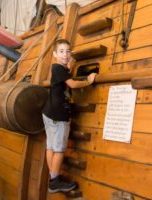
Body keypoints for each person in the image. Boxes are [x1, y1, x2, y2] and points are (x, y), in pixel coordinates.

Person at [42, 39, 96, 193]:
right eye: (61, 51)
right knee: (59, 149)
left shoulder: (60, 68)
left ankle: (53, 178)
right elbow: (71, 84)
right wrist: (88, 81)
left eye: (68, 51)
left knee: (51, 146)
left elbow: (65, 79)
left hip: (49, 112)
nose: (65, 54)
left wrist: (69, 66)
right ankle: (54, 182)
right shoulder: (59, 68)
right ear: (54, 54)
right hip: (58, 115)